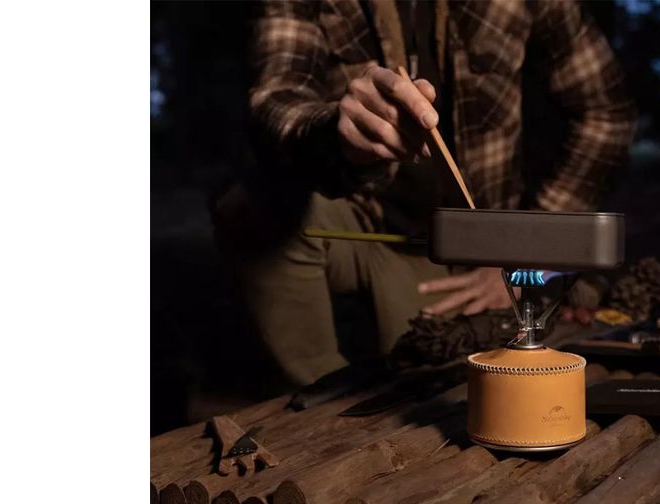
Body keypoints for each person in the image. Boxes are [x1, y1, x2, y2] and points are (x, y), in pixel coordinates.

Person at [213, 0, 636, 385]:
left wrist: (528, 247)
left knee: (440, 393)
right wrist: (336, 134)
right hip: (361, 223)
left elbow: (606, 111)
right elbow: (275, 99)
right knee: (250, 203)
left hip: (472, 257)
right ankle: (316, 400)